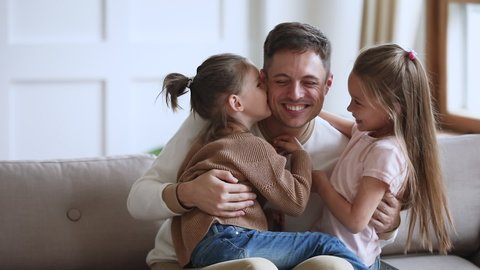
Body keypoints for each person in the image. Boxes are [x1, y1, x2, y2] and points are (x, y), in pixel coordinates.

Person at [127, 22, 401, 270]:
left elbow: (360, 234)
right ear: (264, 79)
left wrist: (389, 226)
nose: (295, 94)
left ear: (328, 85)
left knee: (333, 265)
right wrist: (188, 193)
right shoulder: (214, 121)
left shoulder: (349, 149)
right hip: (184, 261)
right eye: (281, 81)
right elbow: (137, 200)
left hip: (278, 262)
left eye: (309, 82)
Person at [161, 52, 368, 270]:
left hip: (200, 249)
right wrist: (301, 156)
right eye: (260, 85)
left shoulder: (203, 143)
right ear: (236, 102)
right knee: (325, 244)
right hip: (231, 239)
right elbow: (295, 201)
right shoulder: (250, 146)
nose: (267, 90)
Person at [311, 44, 454, 269]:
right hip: (333, 250)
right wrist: (311, 110)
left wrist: (321, 184)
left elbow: (356, 221)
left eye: (358, 101)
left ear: (393, 108)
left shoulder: (386, 152)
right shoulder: (369, 132)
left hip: (350, 258)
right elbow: (349, 127)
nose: (349, 108)